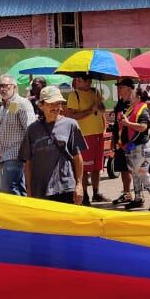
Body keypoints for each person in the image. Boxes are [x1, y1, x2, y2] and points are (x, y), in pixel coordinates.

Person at [20, 85, 86, 205]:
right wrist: (29, 192)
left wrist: (79, 184)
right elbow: (28, 164)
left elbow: (78, 157)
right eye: (51, 104)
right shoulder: (32, 130)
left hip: (65, 188)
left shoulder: (71, 125)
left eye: (58, 103)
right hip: (40, 191)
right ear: (41, 105)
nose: (56, 107)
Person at [0, 75, 35, 196]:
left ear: (14, 87)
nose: (2, 89)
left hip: (17, 155)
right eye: (0, 86)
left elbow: (30, 130)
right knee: (18, 189)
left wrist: (29, 156)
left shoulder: (22, 103)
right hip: (5, 155)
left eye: (5, 86)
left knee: (7, 189)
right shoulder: (5, 106)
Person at [63, 75, 107, 204]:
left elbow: (102, 109)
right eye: (86, 80)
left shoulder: (95, 92)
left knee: (97, 167)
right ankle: (85, 195)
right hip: (84, 135)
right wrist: (90, 110)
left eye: (90, 80)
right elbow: (71, 116)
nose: (89, 83)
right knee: (84, 167)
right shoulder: (74, 95)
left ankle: (96, 192)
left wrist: (99, 105)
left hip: (98, 134)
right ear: (78, 80)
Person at [112, 82, 150, 210]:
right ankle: (138, 198)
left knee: (142, 173)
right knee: (135, 173)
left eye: (133, 96)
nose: (130, 98)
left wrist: (127, 123)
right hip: (132, 146)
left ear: (138, 98)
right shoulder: (132, 108)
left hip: (142, 146)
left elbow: (143, 127)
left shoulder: (143, 109)